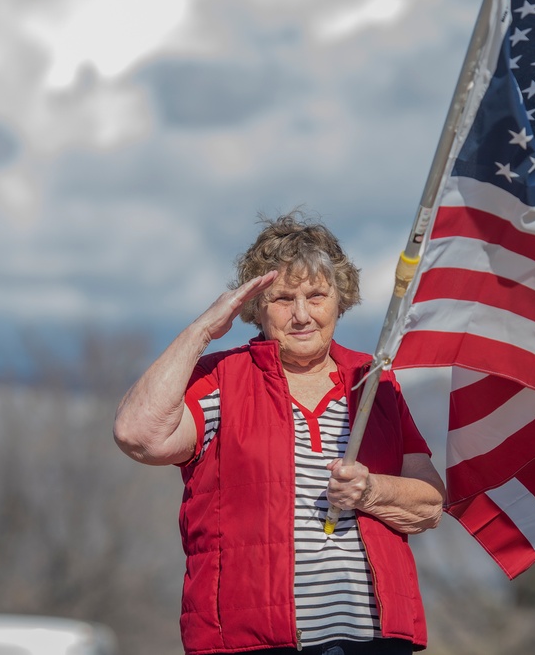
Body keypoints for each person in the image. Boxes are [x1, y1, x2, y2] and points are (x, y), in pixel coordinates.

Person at [113, 212, 446, 655]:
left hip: (374, 641)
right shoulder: (220, 378)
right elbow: (138, 435)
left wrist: (370, 491)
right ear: (254, 306)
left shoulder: (373, 383)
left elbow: (430, 505)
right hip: (248, 643)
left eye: (317, 295)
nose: (302, 315)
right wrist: (202, 331)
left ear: (339, 299)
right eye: (283, 299)